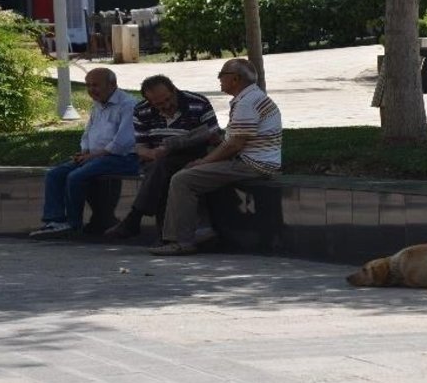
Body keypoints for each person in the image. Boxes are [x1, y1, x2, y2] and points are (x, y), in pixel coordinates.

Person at [148, 58, 282, 256]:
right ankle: (201, 230)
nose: (219, 79)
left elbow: (235, 145)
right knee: (190, 170)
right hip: (255, 161)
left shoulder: (247, 102)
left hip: (251, 165)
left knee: (183, 179)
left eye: (222, 75)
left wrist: (204, 162)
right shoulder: (252, 97)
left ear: (235, 79)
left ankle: (181, 241)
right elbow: (233, 140)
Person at [102, 75, 220, 240]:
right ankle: (164, 236)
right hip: (156, 159)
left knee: (163, 169)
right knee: (162, 169)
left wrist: (195, 140)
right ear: (149, 102)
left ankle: (136, 219)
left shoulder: (197, 102)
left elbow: (215, 136)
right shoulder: (142, 110)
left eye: (167, 100)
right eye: (158, 104)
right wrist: (153, 153)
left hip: (192, 156)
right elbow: (140, 148)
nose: (165, 106)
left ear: (173, 90)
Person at [29, 68, 139, 237]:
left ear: (112, 84)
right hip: (94, 157)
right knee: (55, 174)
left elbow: (122, 142)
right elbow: (87, 133)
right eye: (88, 85)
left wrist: (92, 156)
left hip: (122, 158)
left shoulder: (128, 105)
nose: (90, 90)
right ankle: (55, 221)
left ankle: (73, 225)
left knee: (76, 177)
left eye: (95, 85)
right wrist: (84, 152)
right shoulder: (97, 105)